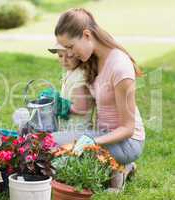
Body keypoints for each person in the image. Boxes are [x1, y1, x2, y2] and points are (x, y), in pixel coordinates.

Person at [53, 8, 145, 192]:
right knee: (51, 143)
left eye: (70, 47)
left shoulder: (120, 67)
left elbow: (127, 129)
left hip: (127, 143)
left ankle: (121, 165)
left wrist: (93, 141)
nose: (69, 54)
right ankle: (119, 168)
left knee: (53, 146)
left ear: (87, 35)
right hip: (103, 135)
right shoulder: (95, 59)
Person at [48, 43, 94, 145]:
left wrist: (59, 104)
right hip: (68, 130)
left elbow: (81, 108)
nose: (64, 60)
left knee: (47, 143)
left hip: (79, 133)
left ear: (79, 55)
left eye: (69, 56)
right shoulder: (70, 71)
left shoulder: (81, 75)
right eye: (60, 56)